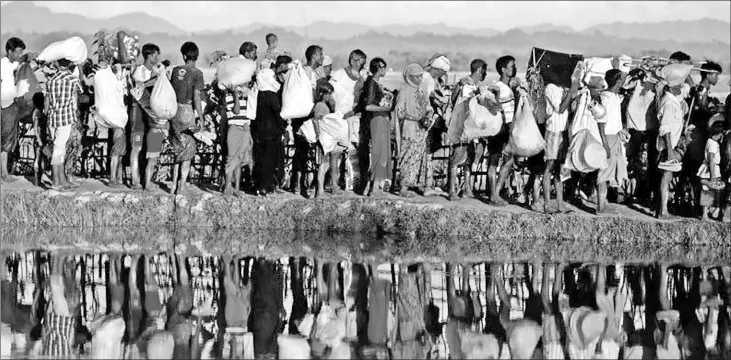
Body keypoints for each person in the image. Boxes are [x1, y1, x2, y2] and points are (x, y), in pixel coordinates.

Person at [446, 59, 494, 200]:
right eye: (484, 70)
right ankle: (452, 190)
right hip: (463, 128)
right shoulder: (466, 85)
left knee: (469, 158)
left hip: (473, 130)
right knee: (457, 158)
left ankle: (467, 188)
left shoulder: (475, 86)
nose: (485, 73)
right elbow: (466, 105)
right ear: (479, 70)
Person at [169, 42, 206, 195]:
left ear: (184, 55)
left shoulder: (175, 70)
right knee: (188, 150)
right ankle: (182, 186)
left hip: (175, 112)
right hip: (188, 111)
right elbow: (197, 97)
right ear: (196, 56)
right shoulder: (197, 73)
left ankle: (172, 185)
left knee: (178, 149)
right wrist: (201, 118)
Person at [395, 64, 435, 198]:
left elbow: (428, 105)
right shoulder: (405, 90)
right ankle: (403, 187)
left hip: (422, 128)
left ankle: (420, 184)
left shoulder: (422, 89)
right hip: (410, 127)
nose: (419, 79)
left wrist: (428, 116)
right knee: (408, 156)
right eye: (416, 77)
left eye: (420, 76)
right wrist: (415, 118)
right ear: (409, 77)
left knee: (420, 156)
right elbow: (400, 112)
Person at [541, 76, 579, 214]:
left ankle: (560, 203)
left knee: (560, 169)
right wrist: (570, 93)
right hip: (553, 131)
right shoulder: (550, 87)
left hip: (563, 130)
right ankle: (546, 204)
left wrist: (572, 93)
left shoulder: (563, 88)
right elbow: (561, 109)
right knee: (550, 166)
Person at [331, 49, 366, 192]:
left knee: (353, 152)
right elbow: (331, 95)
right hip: (339, 118)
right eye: (359, 62)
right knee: (335, 152)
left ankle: (351, 183)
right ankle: (333, 183)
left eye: (363, 62)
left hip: (355, 118)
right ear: (352, 60)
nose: (361, 65)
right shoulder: (338, 75)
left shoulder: (362, 78)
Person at [45, 58, 83, 190]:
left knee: (59, 148)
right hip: (65, 117)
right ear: (70, 64)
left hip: (53, 117)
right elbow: (79, 96)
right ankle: (56, 182)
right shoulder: (73, 79)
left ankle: (62, 180)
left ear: (56, 63)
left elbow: (48, 100)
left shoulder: (51, 80)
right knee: (58, 149)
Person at [596, 69, 629, 215]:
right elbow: (601, 123)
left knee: (609, 171)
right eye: (622, 78)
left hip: (613, 136)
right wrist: (605, 143)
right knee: (604, 171)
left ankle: (603, 204)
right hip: (607, 137)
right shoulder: (607, 98)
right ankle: (600, 206)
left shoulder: (614, 97)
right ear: (618, 81)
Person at [130, 43, 162, 191]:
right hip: (138, 113)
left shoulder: (156, 72)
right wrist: (154, 80)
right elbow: (138, 88)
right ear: (149, 55)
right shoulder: (139, 71)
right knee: (137, 147)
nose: (158, 57)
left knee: (151, 148)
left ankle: (147, 181)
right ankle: (135, 181)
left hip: (151, 114)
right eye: (156, 54)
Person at [625, 67, 659, 206]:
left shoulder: (659, 83)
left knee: (645, 164)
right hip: (637, 129)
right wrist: (635, 73)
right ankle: (637, 193)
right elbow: (624, 85)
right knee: (637, 164)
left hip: (648, 129)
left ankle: (642, 194)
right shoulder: (638, 80)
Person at [489, 55, 520, 206]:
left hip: (508, 128)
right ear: (503, 69)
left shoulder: (510, 87)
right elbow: (494, 106)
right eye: (512, 67)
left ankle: (496, 192)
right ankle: (493, 195)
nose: (514, 69)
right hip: (499, 128)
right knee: (494, 161)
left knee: (508, 160)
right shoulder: (496, 86)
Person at [251, 68, 286, 196]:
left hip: (259, 132)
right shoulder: (271, 95)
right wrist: (283, 128)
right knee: (270, 161)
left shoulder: (257, 93)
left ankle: (259, 185)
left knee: (260, 159)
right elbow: (278, 113)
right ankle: (266, 186)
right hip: (272, 132)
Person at [361, 57, 393, 196]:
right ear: (379, 68)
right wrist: (386, 109)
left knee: (381, 152)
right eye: (383, 67)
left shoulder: (374, 83)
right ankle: (374, 187)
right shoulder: (372, 84)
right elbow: (368, 106)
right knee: (379, 153)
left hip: (381, 120)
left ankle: (370, 186)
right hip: (377, 120)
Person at [312, 81, 347, 198]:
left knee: (325, 165)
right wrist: (318, 135)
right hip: (323, 140)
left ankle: (319, 190)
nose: (330, 96)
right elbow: (315, 120)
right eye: (328, 94)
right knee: (322, 166)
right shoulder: (320, 106)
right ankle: (320, 191)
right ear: (322, 93)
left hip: (325, 140)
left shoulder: (324, 105)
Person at [657, 84, 687, 219]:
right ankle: (663, 212)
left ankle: (662, 210)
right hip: (667, 146)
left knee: (667, 177)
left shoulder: (671, 99)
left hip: (670, 145)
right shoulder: (669, 103)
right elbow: (665, 127)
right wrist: (670, 150)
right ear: (670, 87)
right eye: (678, 84)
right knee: (666, 177)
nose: (681, 86)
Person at [1, 37, 26, 183]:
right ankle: (4, 173)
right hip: (5, 105)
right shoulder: (3, 65)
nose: (19, 55)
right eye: (17, 52)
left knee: (7, 140)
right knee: (5, 141)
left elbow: (21, 62)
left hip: (10, 105)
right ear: (9, 51)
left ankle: (4, 172)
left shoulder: (13, 64)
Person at [222, 83, 254, 196]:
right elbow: (236, 111)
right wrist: (235, 95)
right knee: (231, 159)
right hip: (234, 130)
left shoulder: (247, 97)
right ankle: (227, 187)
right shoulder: (229, 97)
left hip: (245, 130)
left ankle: (236, 188)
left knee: (239, 161)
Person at [697, 122, 725, 220]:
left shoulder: (710, 142)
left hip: (711, 168)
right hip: (711, 169)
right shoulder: (713, 144)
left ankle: (708, 213)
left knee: (709, 190)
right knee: (707, 190)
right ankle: (705, 215)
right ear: (720, 133)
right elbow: (711, 158)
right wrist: (713, 174)